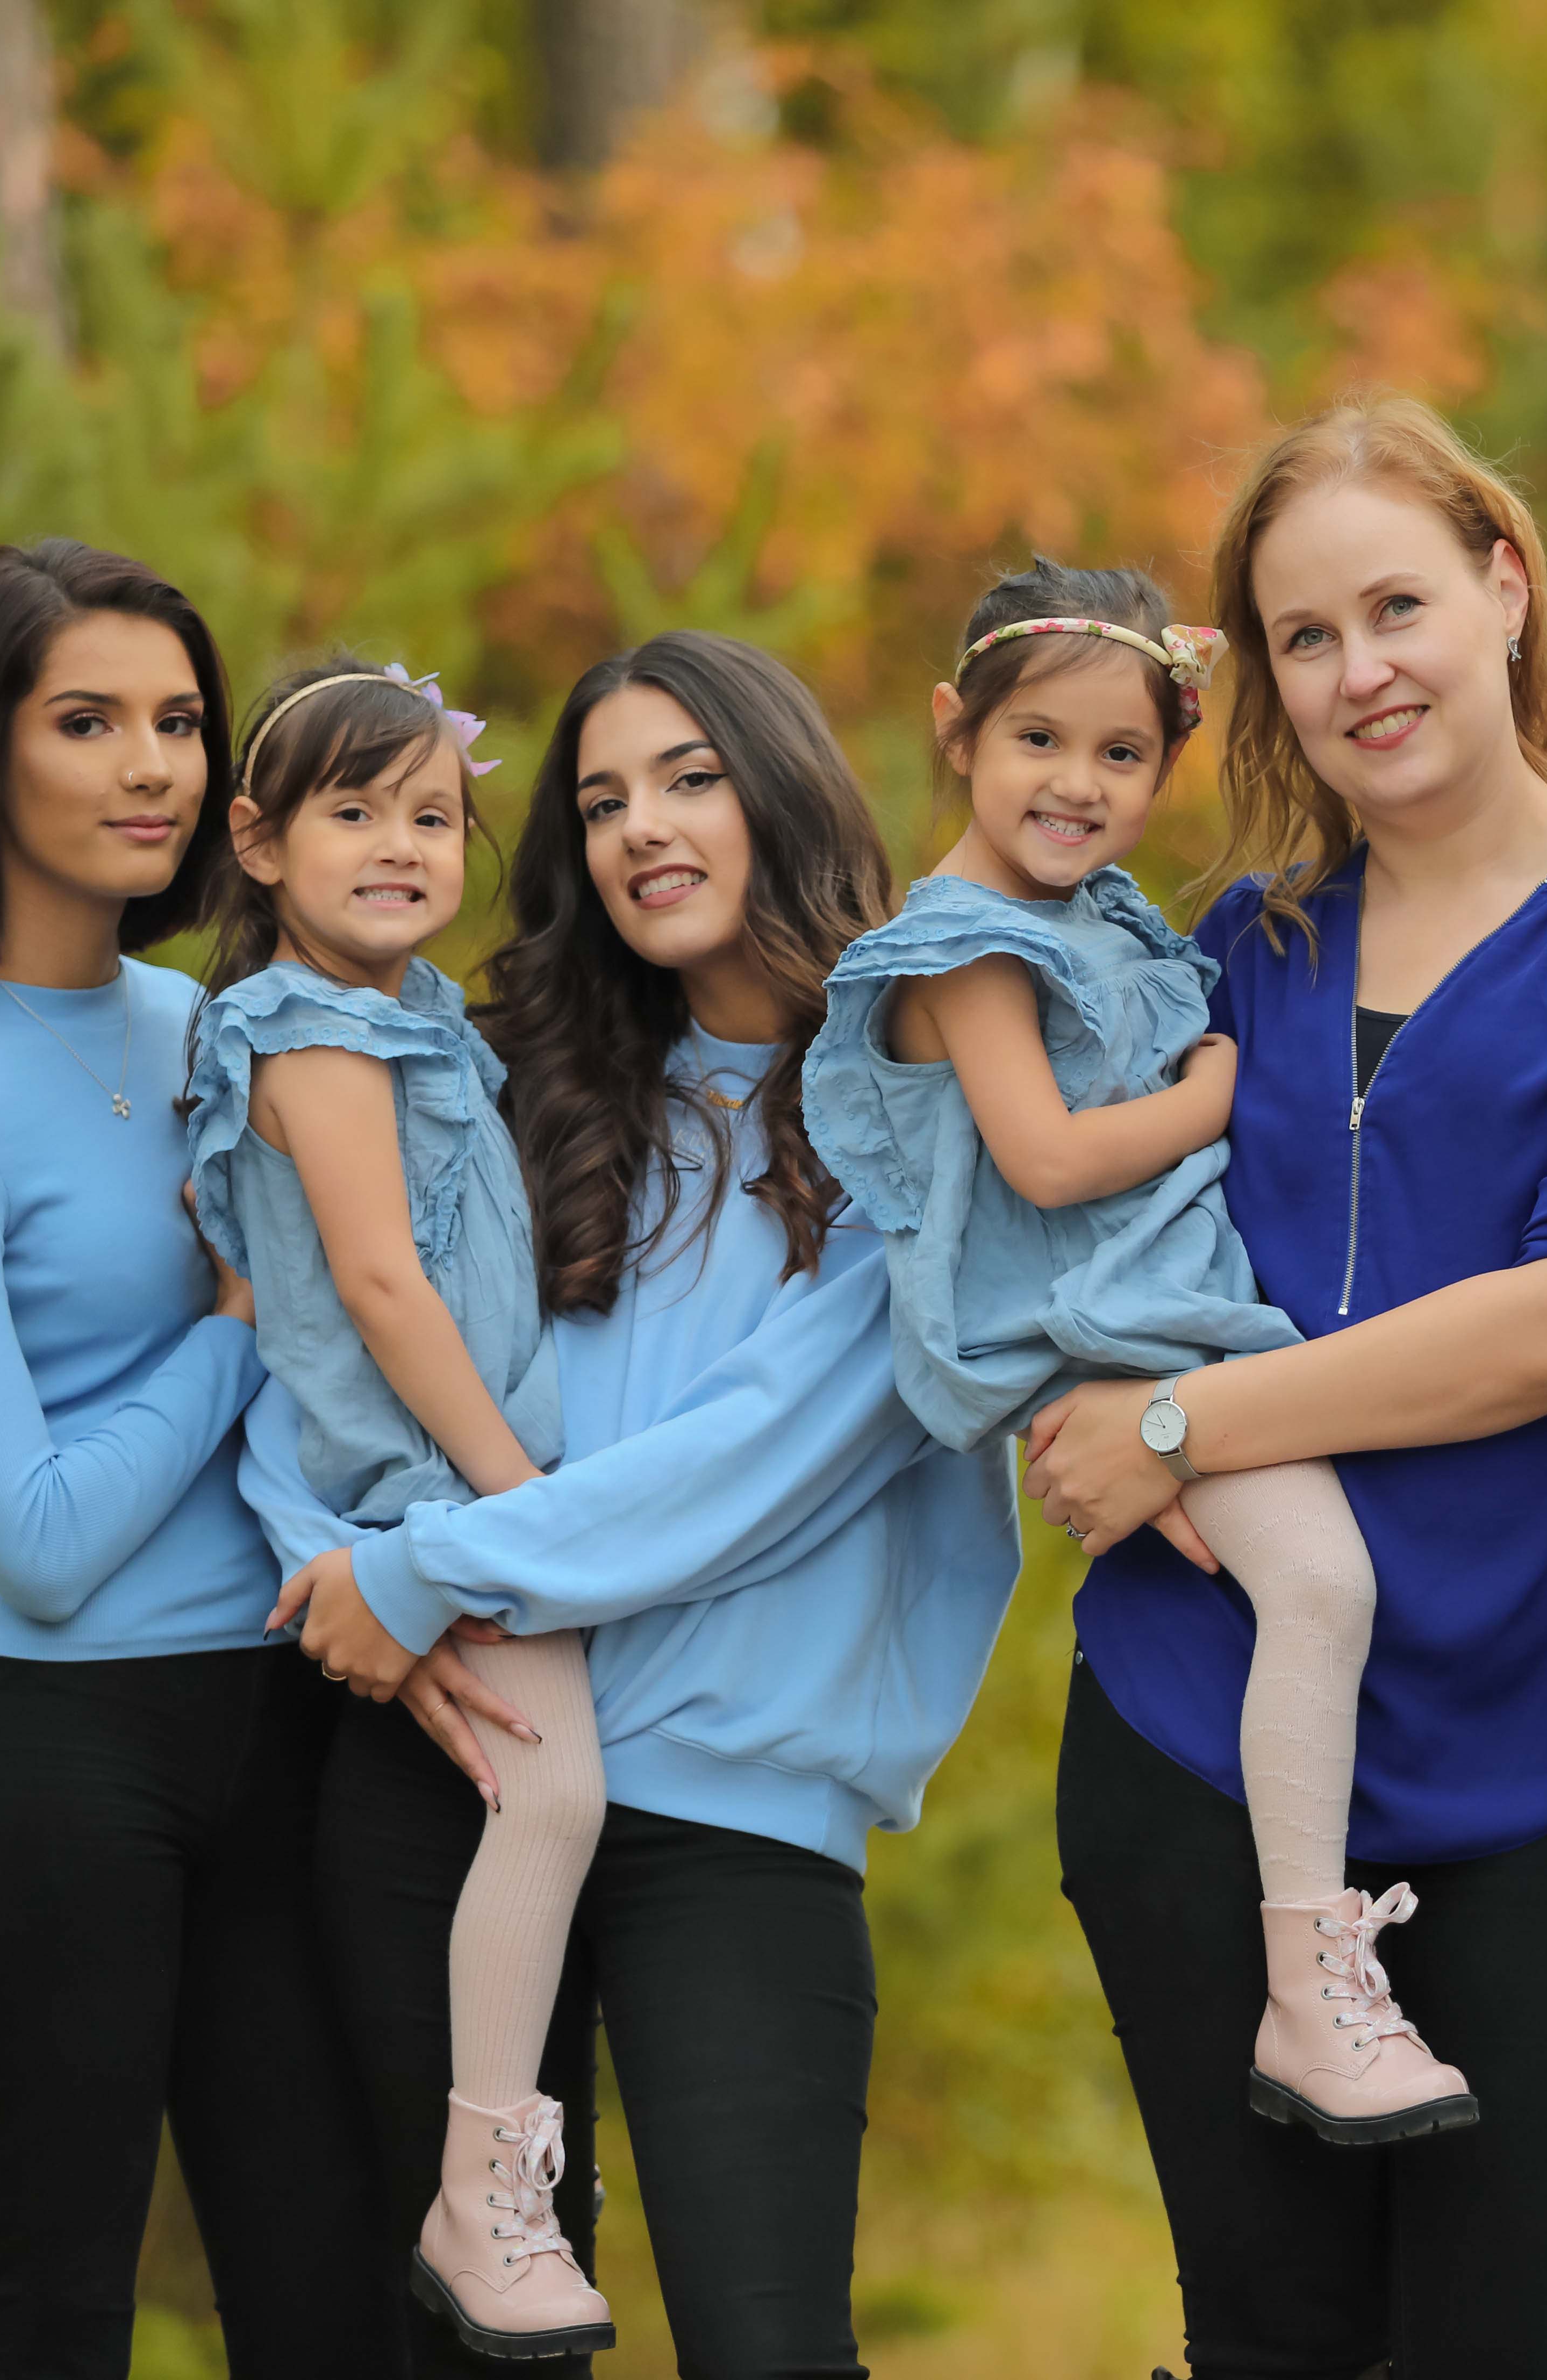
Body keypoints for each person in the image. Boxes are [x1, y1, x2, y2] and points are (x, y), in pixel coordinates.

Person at [1018, 399, 1547, 2379]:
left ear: (1506, 587)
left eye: (1397, 607)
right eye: (1304, 635)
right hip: (1196, 1739)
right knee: (1267, 2345)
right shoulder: (1232, 955)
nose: (1360, 670)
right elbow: (1071, 1242)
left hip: (1539, 1757)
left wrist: (1174, 1428)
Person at [261, 629, 1020, 2378]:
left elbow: (752, 1464)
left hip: (731, 1804)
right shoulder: (499, 1079)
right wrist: (338, 1570)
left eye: (688, 778)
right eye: (601, 801)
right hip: (456, 1759)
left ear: (784, 793)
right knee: (467, 2344)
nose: (641, 829)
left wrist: (425, 1567)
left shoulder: (918, 1112)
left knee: (766, 2338)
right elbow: (303, 1334)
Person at [804, 559, 1476, 2145]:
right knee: (1323, 1586)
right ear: (955, 730)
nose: (1079, 784)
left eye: (1122, 754)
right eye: (1038, 740)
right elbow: (1043, 1159)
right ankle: (1311, 1988)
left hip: (1167, 1325)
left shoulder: (1094, 917)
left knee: (1325, 1580)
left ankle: (1317, 1967)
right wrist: (1214, 1095)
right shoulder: (966, 945)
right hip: (1112, 1335)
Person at [0, 539, 388, 2374]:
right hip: (48, 1761)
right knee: (50, 2321)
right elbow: (41, 1535)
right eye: (87, 721)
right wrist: (237, 1323)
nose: (152, 766)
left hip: (286, 1722)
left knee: (337, 2312)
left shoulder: (228, 1024)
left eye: (177, 719)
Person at [182, 657, 612, 2357]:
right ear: (258, 842)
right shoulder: (307, 1031)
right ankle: (482, 2187)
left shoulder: (418, 1015)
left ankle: (491, 2182)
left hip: (466, 1474)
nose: (399, 846)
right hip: (440, 1484)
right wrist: (520, 1497)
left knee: (542, 1798)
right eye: (352, 812)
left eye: (431, 817)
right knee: (555, 1792)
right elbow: (374, 1281)